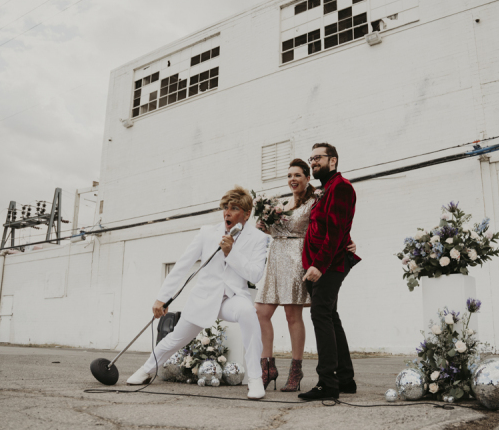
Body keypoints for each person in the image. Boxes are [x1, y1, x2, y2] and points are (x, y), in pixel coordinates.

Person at [126, 186, 271, 400]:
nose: (227, 213)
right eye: (225, 208)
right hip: (204, 298)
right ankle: (146, 369)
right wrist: (162, 297)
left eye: (234, 208)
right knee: (176, 339)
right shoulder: (206, 233)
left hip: (232, 299)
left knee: (249, 313)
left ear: (247, 214)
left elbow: (256, 274)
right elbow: (182, 266)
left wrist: (232, 252)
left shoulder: (259, 238)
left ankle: (256, 379)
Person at [254, 159, 356, 392]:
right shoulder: (280, 204)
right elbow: (276, 230)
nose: (293, 179)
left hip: (296, 259)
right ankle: (267, 366)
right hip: (276, 260)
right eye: (290, 175)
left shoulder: (315, 200)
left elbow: (330, 224)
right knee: (261, 310)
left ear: (307, 178)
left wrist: (348, 241)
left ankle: (296, 370)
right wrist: (264, 225)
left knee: (292, 315)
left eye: (298, 175)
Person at [298, 143, 361, 401]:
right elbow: (332, 226)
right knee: (330, 316)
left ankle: (327, 382)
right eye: (311, 158)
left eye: (318, 158)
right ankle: (345, 378)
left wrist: (319, 266)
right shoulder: (325, 190)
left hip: (329, 264)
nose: (313, 162)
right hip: (321, 263)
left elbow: (335, 231)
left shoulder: (341, 187)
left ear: (332, 161)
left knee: (321, 314)